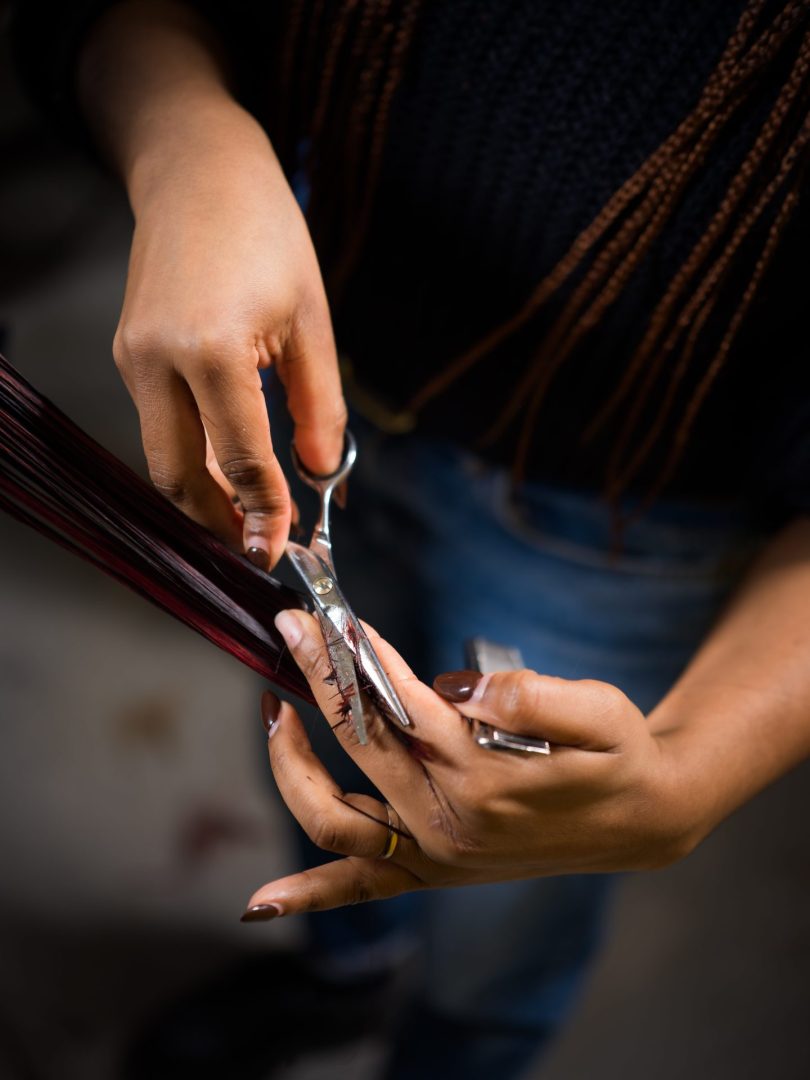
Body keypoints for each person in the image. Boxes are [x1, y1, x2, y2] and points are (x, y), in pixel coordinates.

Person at [10, 1, 810, 1077]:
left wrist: (695, 774)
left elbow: (649, 787)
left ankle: (467, 1046)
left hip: (627, 530)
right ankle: (343, 971)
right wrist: (184, 130)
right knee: (327, 757)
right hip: (309, 391)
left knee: (500, 885)